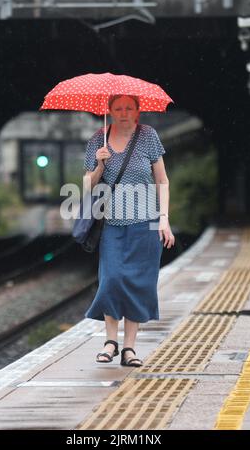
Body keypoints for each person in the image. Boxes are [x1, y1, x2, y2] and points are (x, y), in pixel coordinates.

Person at [83, 94, 175, 367]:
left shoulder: (148, 136)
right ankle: (110, 341)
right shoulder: (97, 140)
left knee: (138, 283)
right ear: (109, 110)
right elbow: (87, 186)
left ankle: (129, 349)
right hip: (112, 223)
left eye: (129, 108)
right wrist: (99, 165)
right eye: (118, 108)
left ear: (137, 111)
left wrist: (164, 218)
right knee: (111, 280)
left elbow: (162, 180)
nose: (124, 113)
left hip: (146, 225)